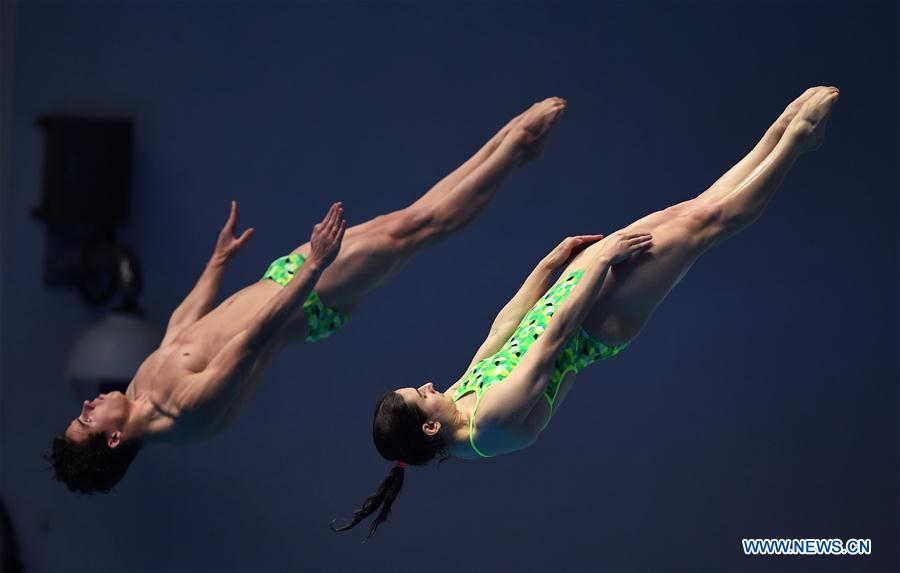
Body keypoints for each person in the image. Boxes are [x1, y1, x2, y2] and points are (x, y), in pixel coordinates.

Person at [334, 86, 840, 537]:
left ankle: (777, 135)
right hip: (594, 322)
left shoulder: (459, 401)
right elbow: (552, 341)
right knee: (706, 225)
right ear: (429, 429)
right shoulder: (489, 427)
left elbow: (503, 333)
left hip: (572, 299)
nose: (427, 385)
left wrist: (549, 266)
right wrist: (598, 264)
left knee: (689, 210)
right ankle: (796, 139)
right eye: (420, 395)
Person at [48, 97, 568, 494]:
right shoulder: (185, 414)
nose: (90, 403)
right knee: (417, 227)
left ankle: (516, 146)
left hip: (288, 278)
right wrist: (316, 267)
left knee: (408, 223)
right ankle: (516, 145)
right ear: (113, 440)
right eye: (87, 419)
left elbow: (182, 329)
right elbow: (254, 339)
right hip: (308, 299)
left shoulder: (140, 389)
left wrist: (217, 262)